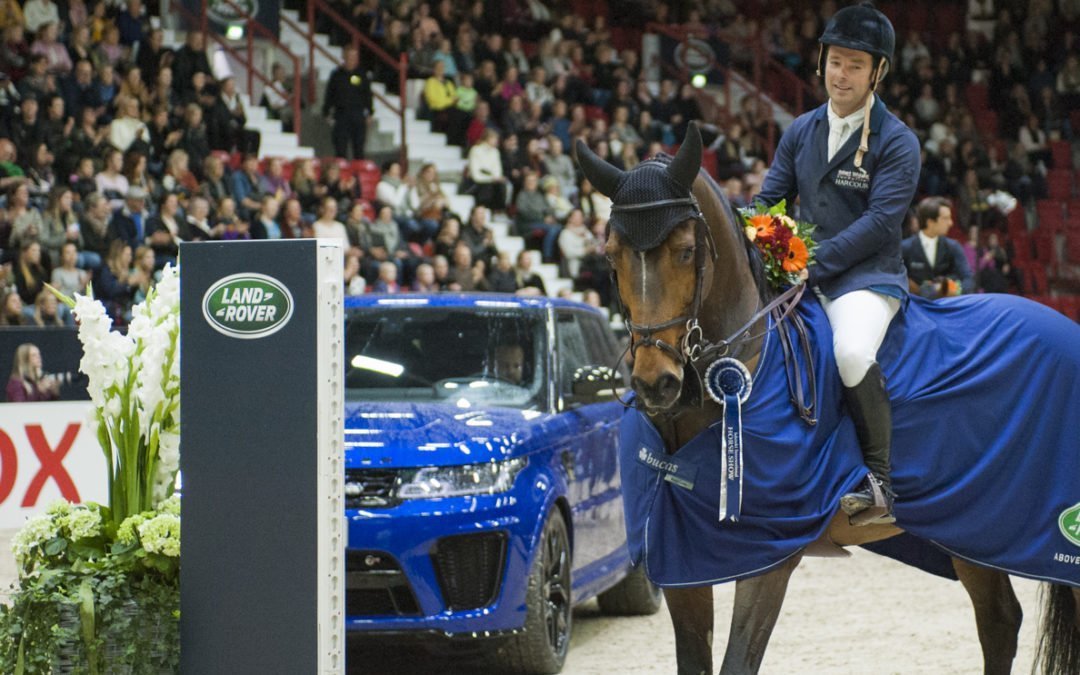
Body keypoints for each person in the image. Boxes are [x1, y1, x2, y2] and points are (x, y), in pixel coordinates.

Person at [756, 3, 918, 526]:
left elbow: (878, 224)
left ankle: (879, 481)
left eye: (854, 65)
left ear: (878, 72)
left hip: (865, 279)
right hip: (802, 272)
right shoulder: (801, 130)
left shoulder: (897, 142)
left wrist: (811, 263)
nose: (841, 75)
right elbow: (769, 202)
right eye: (835, 62)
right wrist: (768, 245)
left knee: (849, 352)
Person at [902, 197, 974, 299]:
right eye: (945, 218)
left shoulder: (953, 246)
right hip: (915, 307)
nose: (950, 223)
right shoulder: (905, 247)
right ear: (930, 222)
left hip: (948, 305)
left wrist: (953, 289)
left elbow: (968, 278)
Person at [322, 45, 373, 159]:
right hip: (341, 114)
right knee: (340, 147)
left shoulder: (362, 75)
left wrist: (370, 112)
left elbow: (368, 94)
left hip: (358, 114)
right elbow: (329, 94)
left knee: (359, 149)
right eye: (350, 56)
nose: (352, 59)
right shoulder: (336, 75)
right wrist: (326, 112)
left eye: (355, 57)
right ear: (344, 57)